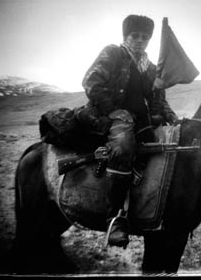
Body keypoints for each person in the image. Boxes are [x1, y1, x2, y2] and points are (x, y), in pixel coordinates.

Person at [76, 14, 178, 249]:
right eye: (135, 35)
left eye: (145, 37)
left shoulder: (151, 68)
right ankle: (115, 219)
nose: (140, 40)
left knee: (162, 145)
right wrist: (111, 110)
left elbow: (158, 100)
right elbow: (91, 81)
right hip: (111, 115)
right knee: (122, 147)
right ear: (126, 36)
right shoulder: (113, 53)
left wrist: (171, 117)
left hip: (141, 119)